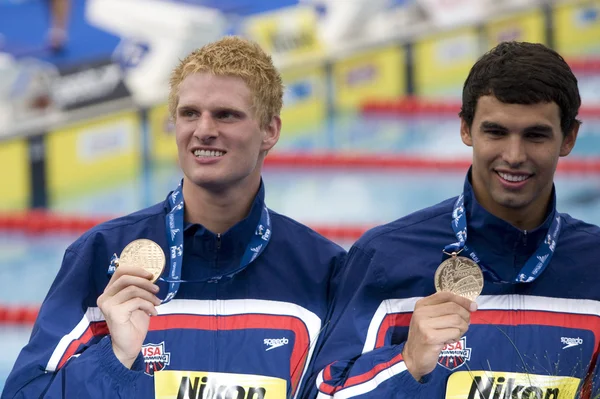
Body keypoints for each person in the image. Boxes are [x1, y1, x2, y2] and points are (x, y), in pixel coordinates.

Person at [2, 36, 345, 398]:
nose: (204, 129)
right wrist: (115, 359)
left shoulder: (323, 270)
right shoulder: (103, 255)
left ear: (269, 131)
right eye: (190, 113)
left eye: (226, 114)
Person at [301, 41, 600, 398]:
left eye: (535, 135)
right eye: (496, 132)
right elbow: (321, 392)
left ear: (569, 138)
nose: (514, 155)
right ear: (465, 129)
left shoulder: (593, 264)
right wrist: (407, 361)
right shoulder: (385, 258)